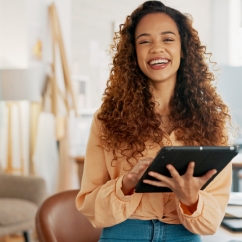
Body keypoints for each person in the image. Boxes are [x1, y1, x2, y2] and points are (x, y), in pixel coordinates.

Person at [76, 1, 234, 241]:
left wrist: (191, 199)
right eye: (144, 41)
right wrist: (126, 185)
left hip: (184, 235)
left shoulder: (213, 122)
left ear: (183, 49)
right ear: (134, 53)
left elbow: (211, 222)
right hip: (123, 233)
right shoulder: (106, 119)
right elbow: (89, 206)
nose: (156, 48)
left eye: (168, 39)